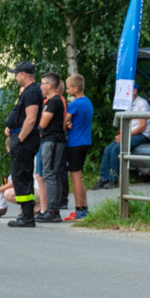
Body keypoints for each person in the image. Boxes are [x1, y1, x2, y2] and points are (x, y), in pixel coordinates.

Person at [93, 84, 150, 190]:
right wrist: (120, 135)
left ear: (134, 91)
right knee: (108, 149)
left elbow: (142, 126)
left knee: (116, 149)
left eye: (126, 91)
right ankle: (104, 179)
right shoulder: (128, 105)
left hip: (141, 135)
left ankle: (114, 180)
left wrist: (125, 136)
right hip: (129, 134)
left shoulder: (142, 104)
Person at [5, 62, 43, 228]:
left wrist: (19, 139)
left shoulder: (33, 92)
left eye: (16, 74)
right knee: (20, 176)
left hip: (25, 139)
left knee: (22, 176)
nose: (15, 77)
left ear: (24, 74)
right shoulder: (29, 91)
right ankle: (26, 214)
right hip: (21, 137)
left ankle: (28, 217)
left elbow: (31, 118)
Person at [36, 72, 67, 223]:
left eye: (42, 84)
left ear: (49, 85)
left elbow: (42, 123)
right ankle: (53, 209)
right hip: (51, 141)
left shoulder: (54, 101)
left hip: (53, 141)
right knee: (52, 174)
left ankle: (53, 210)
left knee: (50, 174)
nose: (40, 86)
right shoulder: (50, 101)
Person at [62, 73, 93, 221]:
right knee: (79, 177)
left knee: (75, 178)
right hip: (85, 141)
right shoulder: (88, 103)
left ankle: (79, 209)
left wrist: (66, 125)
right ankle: (84, 208)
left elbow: (64, 123)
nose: (67, 91)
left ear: (75, 88)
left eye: (68, 89)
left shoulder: (74, 104)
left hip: (74, 143)